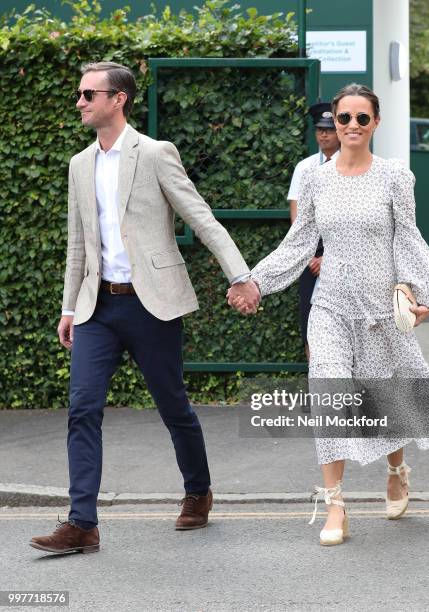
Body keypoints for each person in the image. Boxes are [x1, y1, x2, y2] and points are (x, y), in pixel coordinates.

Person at [30, 61, 260, 555]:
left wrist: (241, 275)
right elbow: (78, 245)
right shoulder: (79, 164)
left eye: (90, 93)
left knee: (172, 405)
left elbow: (200, 216)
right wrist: (69, 308)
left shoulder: (155, 154)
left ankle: (198, 491)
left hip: (151, 305)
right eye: (79, 93)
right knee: (82, 408)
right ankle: (82, 524)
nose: (80, 101)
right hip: (97, 309)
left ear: (119, 99)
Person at [228, 83, 429, 546]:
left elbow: (408, 237)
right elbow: (299, 244)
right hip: (331, 306)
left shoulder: (395, 175)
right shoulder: (316, 179)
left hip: (381, 306)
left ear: (376, 123)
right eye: (344, 119)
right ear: (333, 125)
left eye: (362, 118)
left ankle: (397, 468)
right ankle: (336, 503)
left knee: (387, 398)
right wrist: (255, 280)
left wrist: (424, 293)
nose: (352, 126)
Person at [288, 103, 340, 359]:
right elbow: (297, 215)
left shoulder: (352, 165)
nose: (324, 135)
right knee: (310, 322)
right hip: (311, 254)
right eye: (320, 129)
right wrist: (308, 254)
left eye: (329, 130)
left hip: (346, 253)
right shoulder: (305, 167)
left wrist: (330, 257)